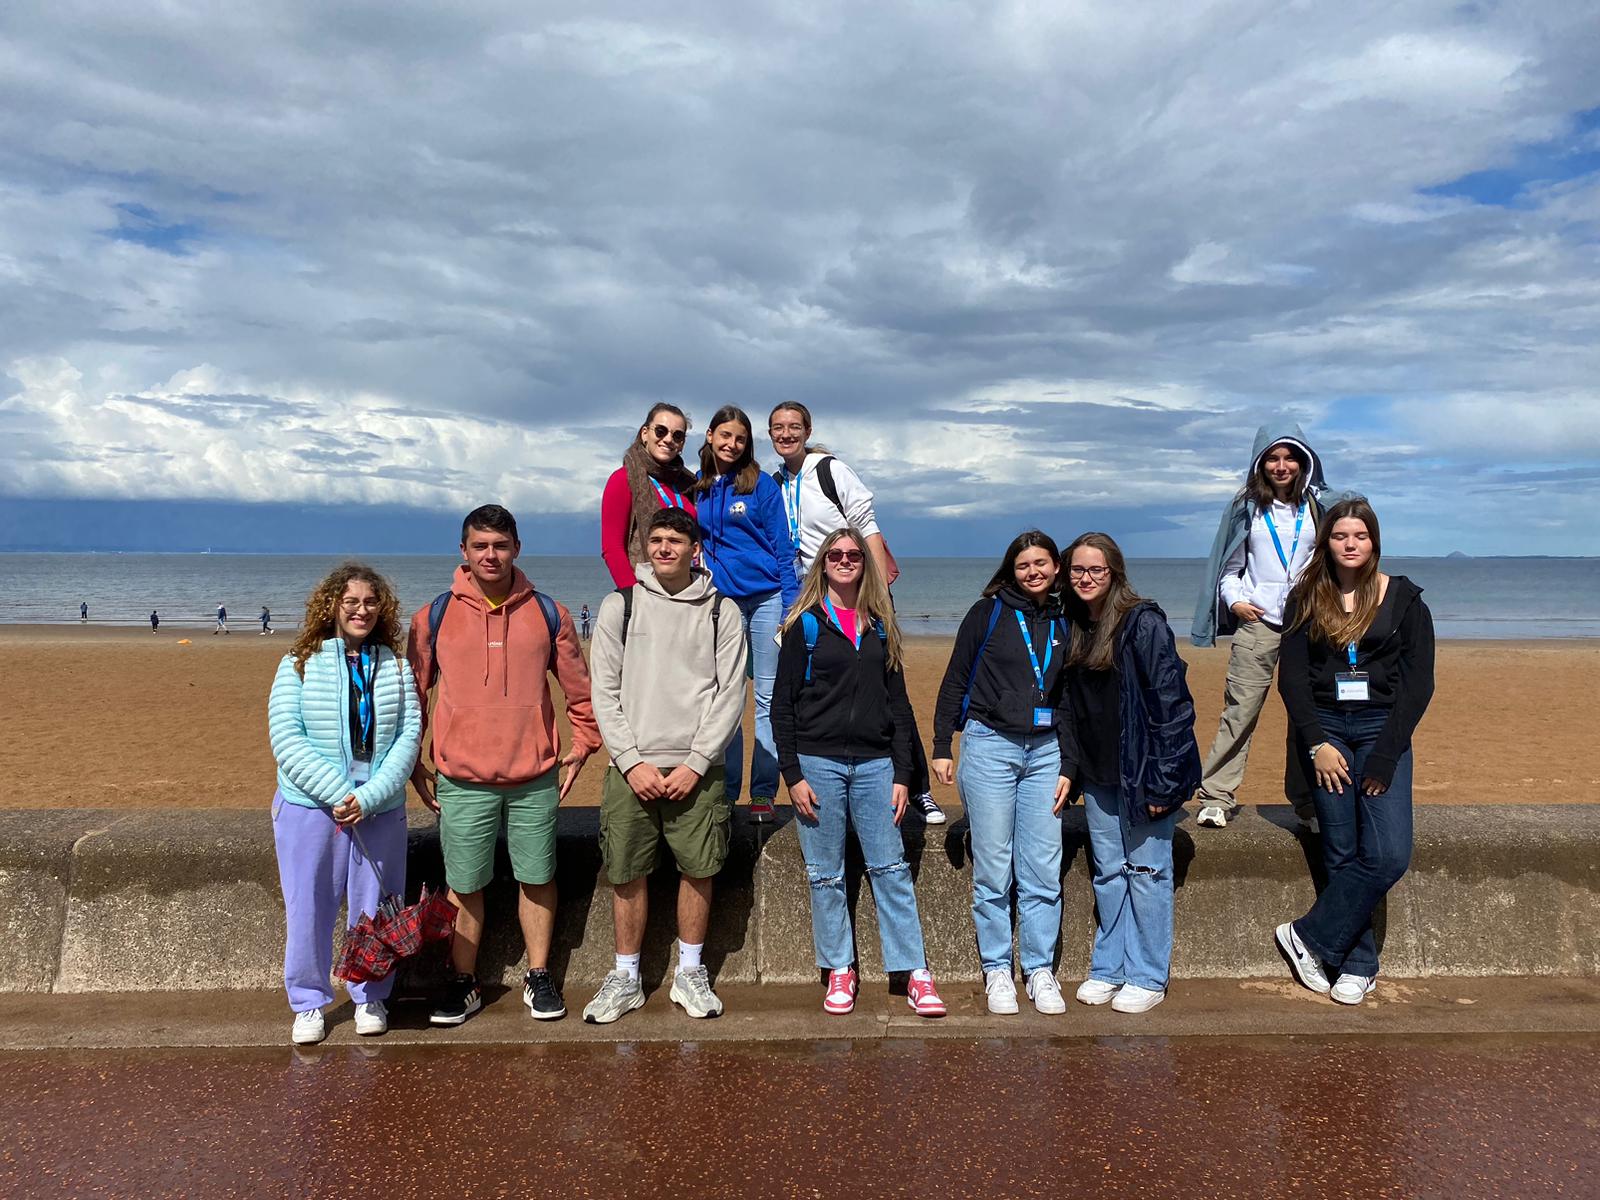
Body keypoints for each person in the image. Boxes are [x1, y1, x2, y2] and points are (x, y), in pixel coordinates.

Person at [407, 505, 602, 1026]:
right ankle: (464, 982)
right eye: (480, 546)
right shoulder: (432, 616)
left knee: (537, 878)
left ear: (517, 547)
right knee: (464, 884)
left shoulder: (550, 612)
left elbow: (580, 692)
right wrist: (412, 761)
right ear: (463, 551)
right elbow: (414, 698)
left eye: (499, 545)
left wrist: (584, 743)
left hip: (534, 778)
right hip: (461, 778)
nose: (490, 555)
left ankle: (539, 976)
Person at [772, 526, 946, 1017]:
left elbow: (899, 706)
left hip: (876, 766)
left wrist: (904, 775)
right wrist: (793, 775)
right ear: (823, 563)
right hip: (817, 764)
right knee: (826, 875)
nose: (846, 560)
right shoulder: (804, 625)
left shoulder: (881, 626)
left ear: (865, 564)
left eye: (853, 554)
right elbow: (781, 708)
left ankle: (914, 972)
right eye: (836, 554)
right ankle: (839, 970)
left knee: (891, 868)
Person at [583, 507, 748, 1023]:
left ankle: (690, 972)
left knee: (699, 869)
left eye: (675, 540)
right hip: (631, 767)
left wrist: (696, 763)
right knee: (626, 871)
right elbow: (604, 691)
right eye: (656, 539)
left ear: (694, 549)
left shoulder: (723, 611)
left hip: (698, 769)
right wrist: (630, 762)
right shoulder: (621, 605)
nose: (664, 548)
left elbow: (730, 695)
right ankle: (626, 977)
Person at [1274, 498, 1434, 1006]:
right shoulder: (1305, 598)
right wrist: (1316, 743)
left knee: (1387, 854)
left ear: (1374, 542)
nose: (1350, 544)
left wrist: (1386, 754)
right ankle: (1358, 966)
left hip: (1381, 729)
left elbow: (1419, 684)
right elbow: (1292, 679)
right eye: (1340, 536)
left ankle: (1307, 934)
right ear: (1326, 542)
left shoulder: (1405, 600)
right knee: (1340, 850)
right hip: (1327, 731)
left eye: (1360, 536)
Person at [767, 401, 943, 827]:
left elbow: (867, 525)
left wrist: (878, 597)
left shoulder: (829, 471)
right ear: (770, 434)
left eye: (794, 426)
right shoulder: (775, 483)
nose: (786, 434)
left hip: (857, 588)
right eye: (778, 427)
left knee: (887, 690)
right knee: (814, 688)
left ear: (808, 431)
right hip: (810, 596)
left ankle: (918, 787)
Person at [267, 563, 421, 1045]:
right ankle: (308, 1002)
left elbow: (408, 737)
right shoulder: (298, 662)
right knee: (308, 908)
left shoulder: (396, 667)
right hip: (310, 808)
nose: (361, 610)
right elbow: (286, 738)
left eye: (371, 602)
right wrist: (338, 794)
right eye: (351, 601)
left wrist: (368, 797)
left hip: (379, 809)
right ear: (332, 605)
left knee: (375, 908)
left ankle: (370, 994)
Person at [1059, 533, 1201, 1015]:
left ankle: (1147, 975)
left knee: (1147, 872)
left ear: (1114, 573)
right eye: (1078, 570)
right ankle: (1109, 967)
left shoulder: (1143, 623)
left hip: (1144, 772)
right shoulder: (1073, 623)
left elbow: (1173, 706)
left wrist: (1165, 780)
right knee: (1109, 874)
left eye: (1096, 570)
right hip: (1099, 775)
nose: (1086, 578)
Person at [930, 531, 1071, 1016]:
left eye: (1041, 563)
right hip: (990, 745)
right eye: (1023, 564)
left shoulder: (1065, 618)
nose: (1033, 572)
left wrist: (1070, 764)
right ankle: (996, 968)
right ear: (1011, 570)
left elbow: (1070, 696)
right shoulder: (986, 613)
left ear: (1056, 567)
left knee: (1043, 867)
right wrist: (941, 745)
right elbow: (955, 678)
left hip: (1047, 751)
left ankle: (1039, 969)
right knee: (993, 867)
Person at [1191, 424, 1345, 830]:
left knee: (1306, 712)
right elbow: (1229, 567)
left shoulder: (1320, 506)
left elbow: (1338, 557)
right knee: (1240, 711)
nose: (1281, 466)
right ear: (1260, 463)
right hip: (1259, 623)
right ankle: (1216, 797)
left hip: (1308, 623)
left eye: (1289, 457)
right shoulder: (1245, 508)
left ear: (1304, 461)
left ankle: (1308, 804)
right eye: (1272, 458)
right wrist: (1236, 602)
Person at [693, 404, 800, 821]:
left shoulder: (760, 485)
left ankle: (763, 792)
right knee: (728, 696)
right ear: (710, 435)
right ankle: (726, 788)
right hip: (724, 603)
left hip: (768, 599)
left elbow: (783, 548)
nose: (732, 444)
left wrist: (790, 606)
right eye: (725, 435)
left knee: (768, 699)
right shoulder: (699, 487)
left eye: (740, 438)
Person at [600, 403, 698, 589]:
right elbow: (612, 549)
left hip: (688, 589)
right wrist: (634, 594)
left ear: (682, 444)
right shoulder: (623, 479)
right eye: (661, 431)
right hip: (645, 589)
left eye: (677, 435)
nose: (668, 439)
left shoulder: (689, 483)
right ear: (645, 433)